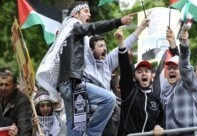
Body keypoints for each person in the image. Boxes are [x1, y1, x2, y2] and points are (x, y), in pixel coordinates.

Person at [36, 1, 137, 135]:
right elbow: (93, 27)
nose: (89, 14)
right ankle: (93, 133)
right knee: (109, 99)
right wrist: (118, 21)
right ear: (76, 14)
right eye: (86, 11)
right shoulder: (74, 25)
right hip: (73, 85)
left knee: (75, 128)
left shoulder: (65, 30)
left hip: (66, 86)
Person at [117, 27, 164, 136]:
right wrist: (121, 44)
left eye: (147, 71)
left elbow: (160, 119)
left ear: (151, 75)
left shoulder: (156, 99)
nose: (144, 73)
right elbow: (125, 69)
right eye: (139, 71)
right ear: (134, 77)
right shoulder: (129, 91)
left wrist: (158, 125)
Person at [161, 29, 197, 135]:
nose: (171, 70)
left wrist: (184, 44)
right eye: (169, 68)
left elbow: (184, 65)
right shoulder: (164, 90)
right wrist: (172, 43)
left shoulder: (189, 83)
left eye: (175, 68)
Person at [0, 67, 33, 135]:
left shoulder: (22, 101)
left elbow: (25, 131)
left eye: (7, 85)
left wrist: (16, 134)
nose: (3, 88)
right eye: (1, 85)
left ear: (15, 86)